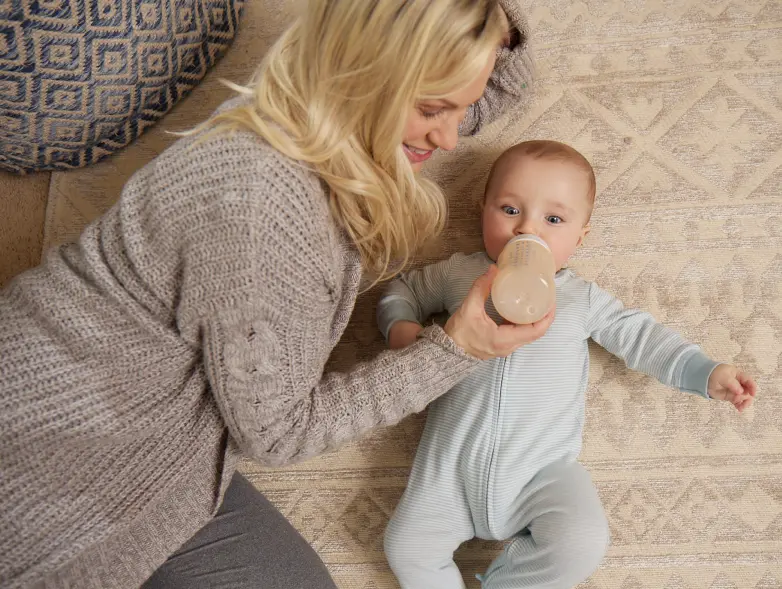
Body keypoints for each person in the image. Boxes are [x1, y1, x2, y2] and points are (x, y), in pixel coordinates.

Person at [0, 1, 553, 589]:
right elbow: (279, 433)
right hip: (50, 451)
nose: (448, 137)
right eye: (432, 109)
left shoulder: (316, 104)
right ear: (363, 72)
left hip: (164, 446)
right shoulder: (261, 212)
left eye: (458, 106)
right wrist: (456, 347)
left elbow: (503, 83)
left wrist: (481, 17)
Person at [377, 140, 758, 589]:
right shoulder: (460, 275)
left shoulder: (581, 298)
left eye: (553, 219)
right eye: (509, 209)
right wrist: (400, 328)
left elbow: (641, 336)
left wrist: (704, 373)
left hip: (540, 472)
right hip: (448, 470)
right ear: (482, 209)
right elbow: (400, 290)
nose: (527, 230)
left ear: (581, 236)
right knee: (406, 546)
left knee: (582, 539)